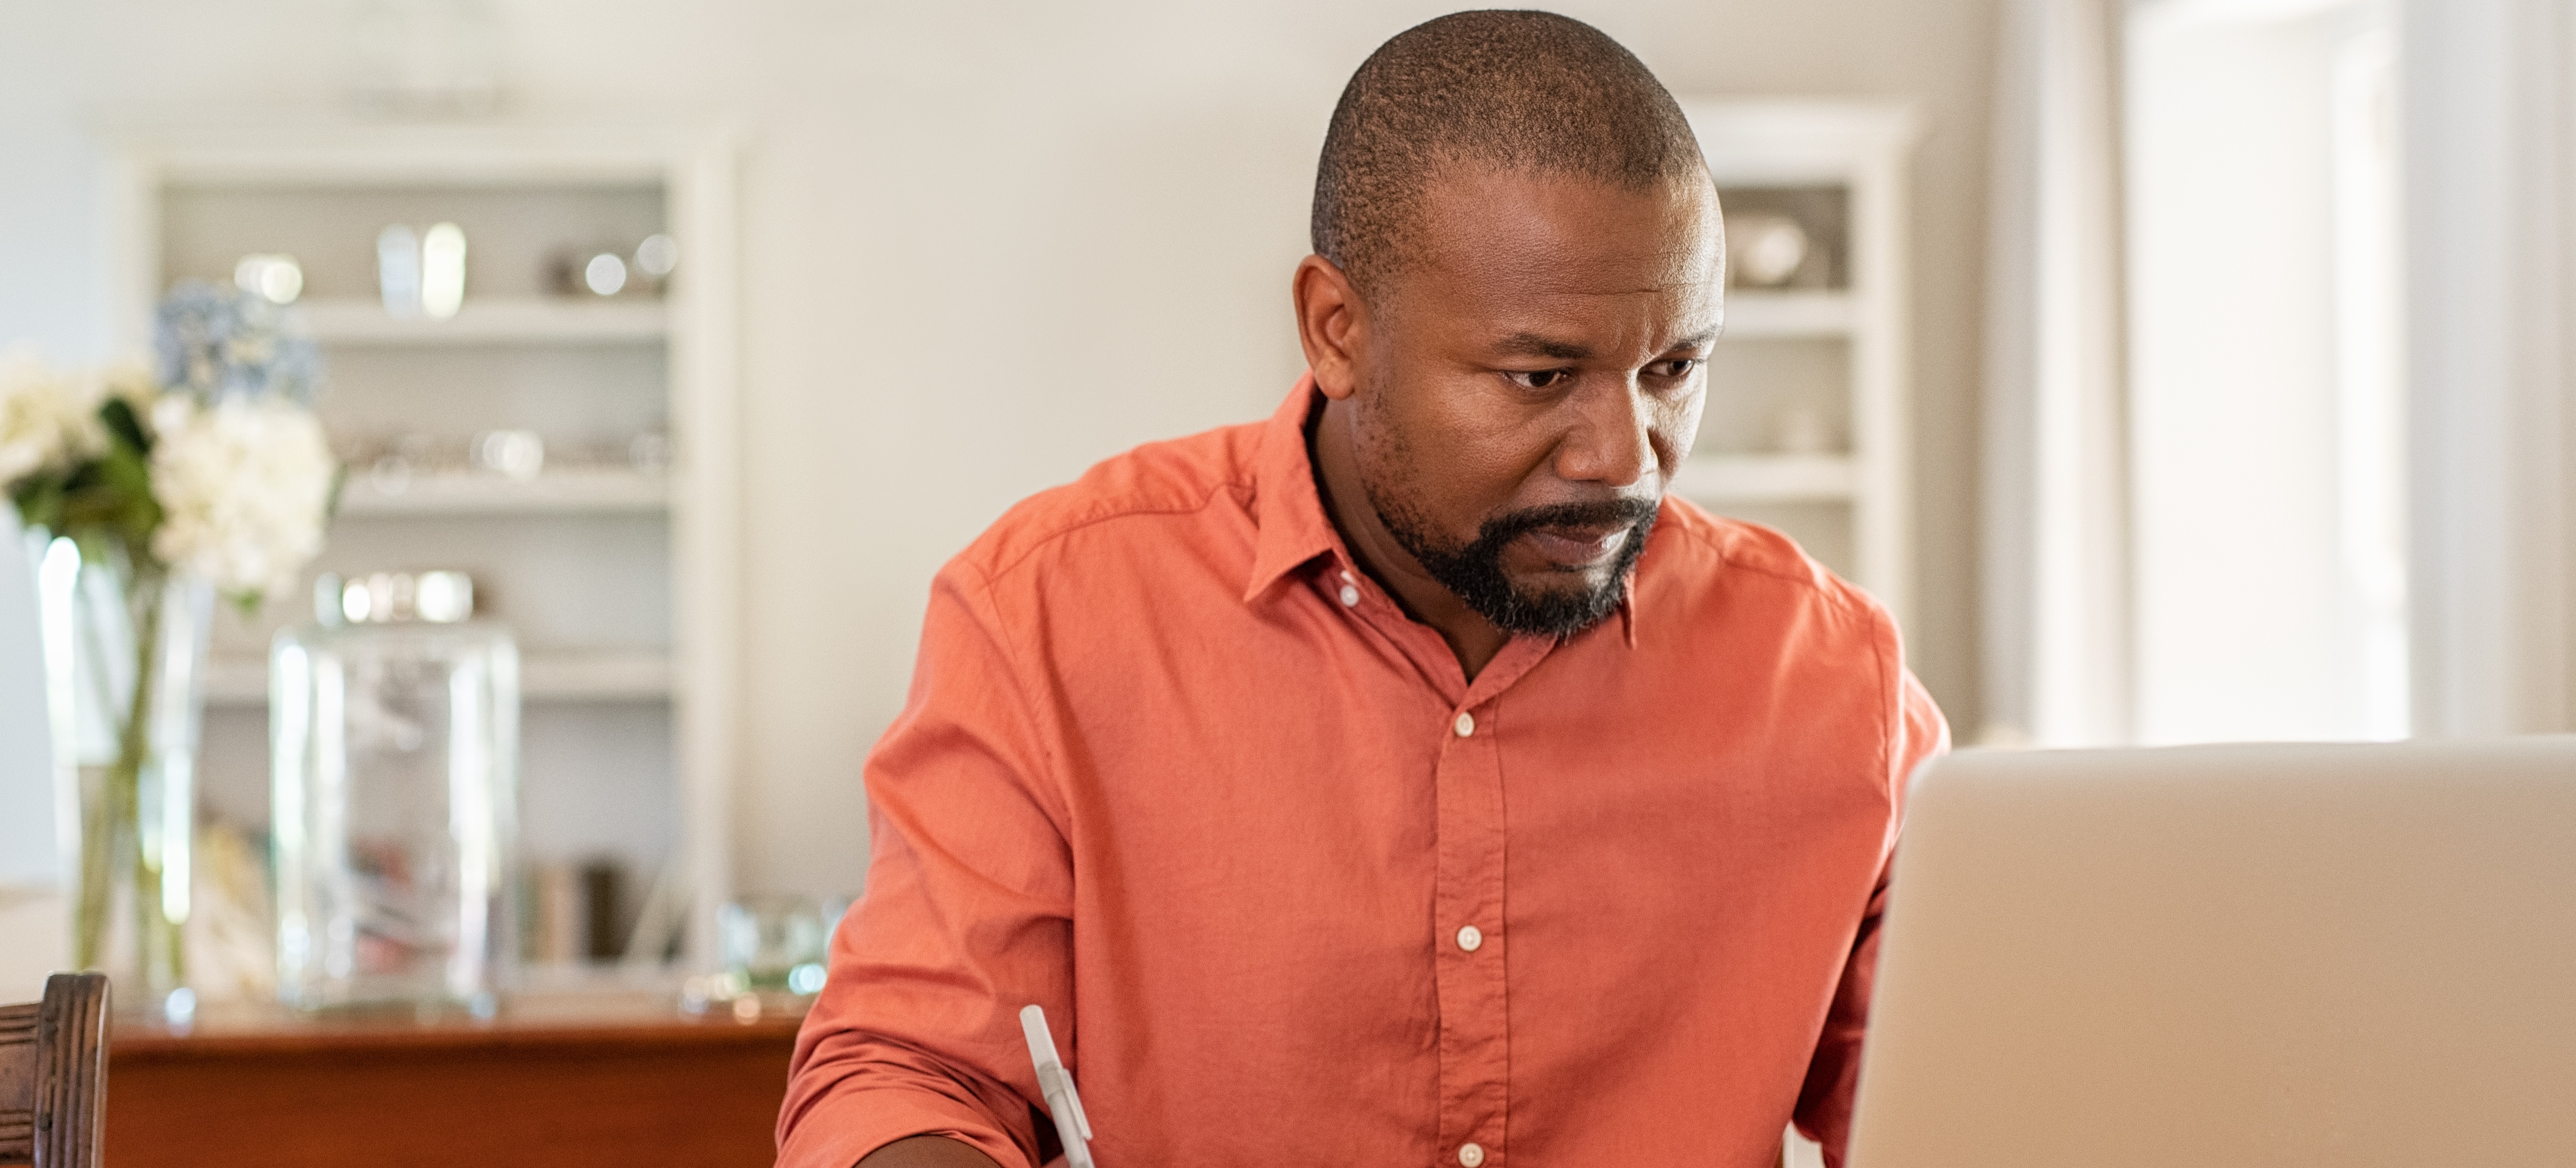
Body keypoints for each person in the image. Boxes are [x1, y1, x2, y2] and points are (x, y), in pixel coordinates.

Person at [778, 11, 1947, 1168]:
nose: (1624, 458)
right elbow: (905, 1073)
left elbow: (1972, 1104)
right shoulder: (1049, 614)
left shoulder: (1837, 685)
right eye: (1541, 376)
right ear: (1337, 330)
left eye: (1673, 369)